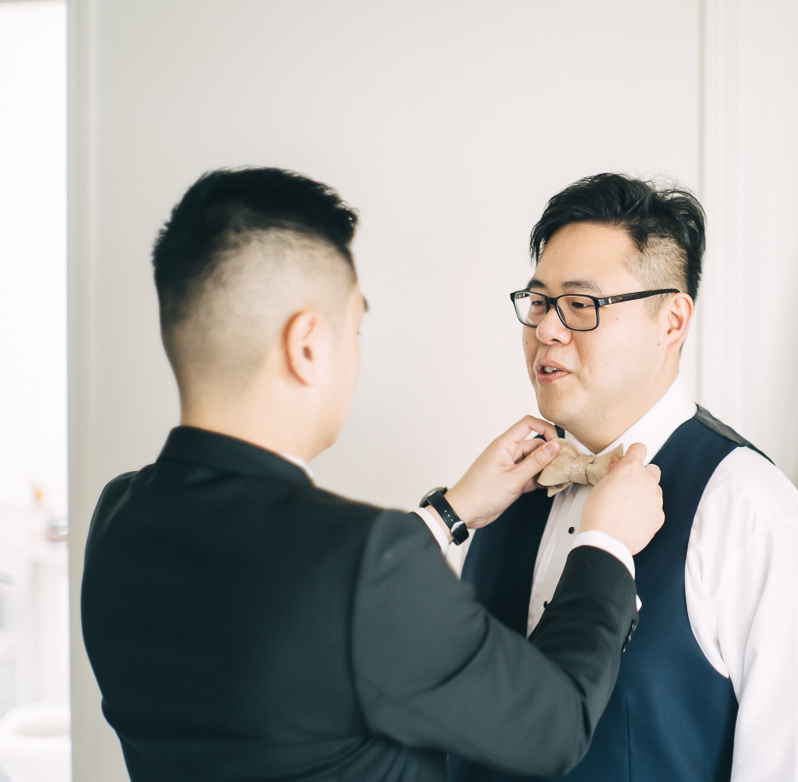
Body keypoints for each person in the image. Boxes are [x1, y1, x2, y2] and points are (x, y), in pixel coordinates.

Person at [80, 167, 664, 782]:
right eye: (354, 329)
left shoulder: (119, 517)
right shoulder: (365, 563)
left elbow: (302, 603)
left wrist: (449, 513)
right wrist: (604, 545)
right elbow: (554, 724)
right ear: (307, 346)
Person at [451, 173, 798, 782]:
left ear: (672, 322)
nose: (547, 330)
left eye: (581, 305)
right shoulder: (500, 489)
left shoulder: (754, 514)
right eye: (539, 302)